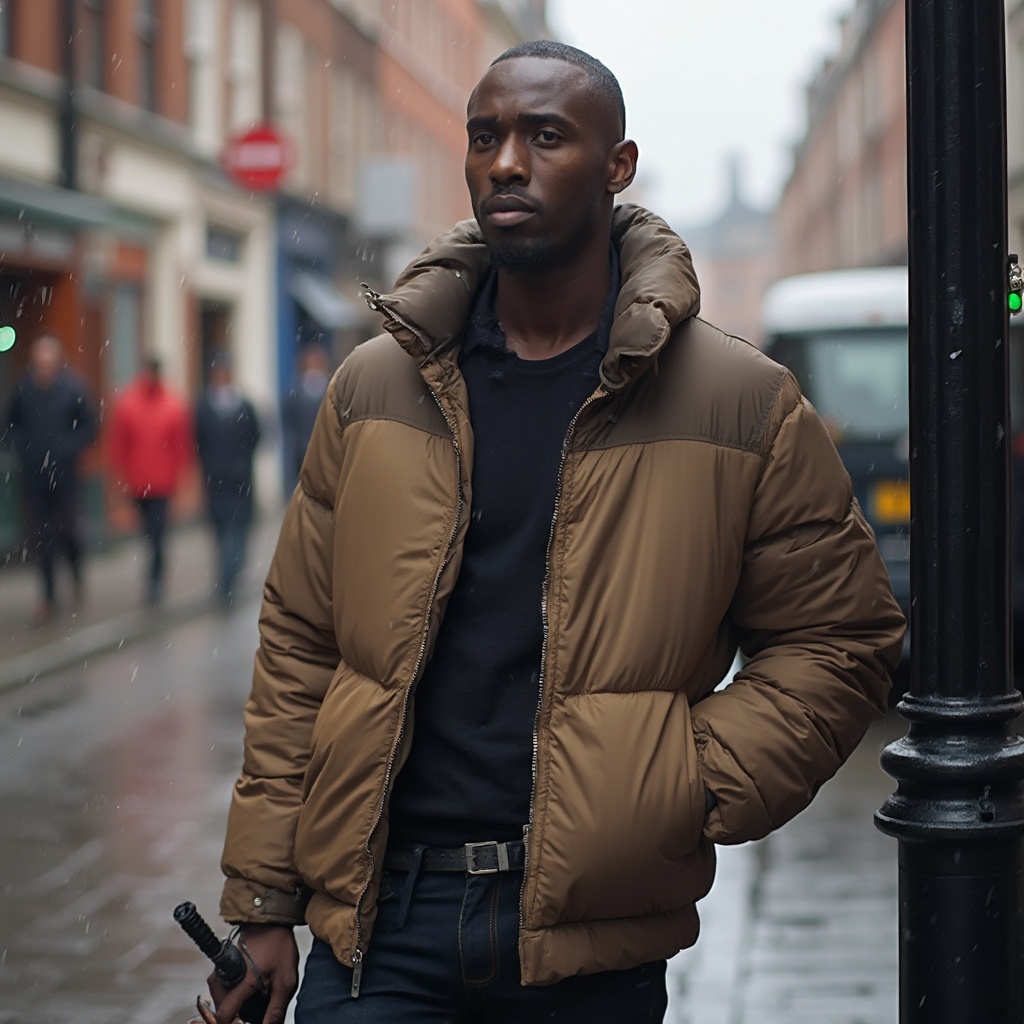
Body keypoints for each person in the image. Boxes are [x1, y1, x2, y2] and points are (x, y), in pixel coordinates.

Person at [211, 41, 906, 1024]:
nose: (506, 162)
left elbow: (842, 639)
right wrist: (263, 902)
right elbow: (299, 644)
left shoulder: (739, 403)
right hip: (382, 923)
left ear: (616, 166)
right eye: (485, 135)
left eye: (545, 136)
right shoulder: (374, 387)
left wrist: (680, 783)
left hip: (587, 949)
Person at [3, 332, 97, 622]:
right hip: (33, 478)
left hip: (65, 476)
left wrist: (68, 447)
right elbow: (10, 423)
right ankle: (48, 596)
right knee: (41, 538)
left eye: (48, 362)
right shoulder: (24, 388)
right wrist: (23, 445)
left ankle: (77, 574)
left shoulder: (73, 389)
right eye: (38, 363)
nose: (43, 368)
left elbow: (90, 426)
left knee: (69, 532)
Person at [108, 357, 192, 607]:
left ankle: (155, 579)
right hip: (138, 483)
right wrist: (119, 478)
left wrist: (181, 480)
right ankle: (154, 575)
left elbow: (180, 445)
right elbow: (119, 444)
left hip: (162, 484)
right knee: (149, 532)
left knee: (157, 534)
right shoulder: (129, 403)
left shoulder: (172, 404)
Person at [194, 352, 261, 606]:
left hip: (240, 479)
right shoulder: (204, 406)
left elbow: (256, 435)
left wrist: (241, 462)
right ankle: (226, 577)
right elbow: (198, 439)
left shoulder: (244, 405)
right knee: (221, 528)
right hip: (216, 479)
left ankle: (230, 577)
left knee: (238, 528)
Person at [281, 344, 330, 490]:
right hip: (301, 457)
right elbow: (288, 425)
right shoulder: (294, 393)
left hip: (326, 456)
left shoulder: (333, 389)